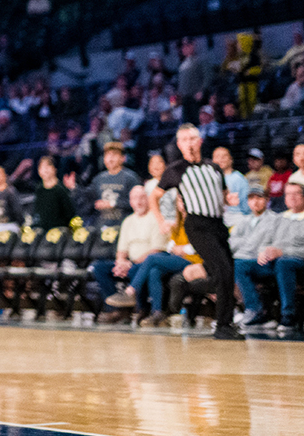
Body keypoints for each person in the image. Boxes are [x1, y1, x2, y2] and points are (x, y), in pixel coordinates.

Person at [154, 124, 240, 339]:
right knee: (222, 271)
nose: (189, 143)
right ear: (179, 145)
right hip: (197, 225)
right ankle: (222, 325)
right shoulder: (175, 170)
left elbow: (224, 194)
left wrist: (230, 199)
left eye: (192, 138)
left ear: (199, 141)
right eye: (184, 140)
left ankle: (221, 318)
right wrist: (161, 220)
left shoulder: (214, 168)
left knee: (226, 272)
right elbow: (154, 197)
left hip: (218, 224)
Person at [233, 181, 304, 333]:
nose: (292, 197)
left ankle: (288, 315)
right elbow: (267, 242)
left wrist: (282, 252)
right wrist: (264, 252)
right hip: (276, 263)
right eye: (288, 194)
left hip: (303, 264)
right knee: (240, 265)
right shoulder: (279, 219)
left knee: (284, 263)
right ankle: (255, 309)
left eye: (296, 194)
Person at [94, 185, 173, 321]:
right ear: (130, 202)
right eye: (135, 198)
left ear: (148, 199)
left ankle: (142, 309)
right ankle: (118, 309)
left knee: (136, 270)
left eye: (142, 197)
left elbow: (156, 251)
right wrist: (120, 263)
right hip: (130, 262)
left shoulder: (156, 218)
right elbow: (121, 250)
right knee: (99, 268)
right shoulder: (128, 221)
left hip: (147, 261)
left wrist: (130, 264)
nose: (139, 201)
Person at [86, 142, 141, 227]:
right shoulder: (98, 178)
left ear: (123, 158)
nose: (110, 158)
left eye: (114, 155)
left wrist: (112, 203)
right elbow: (88, 200)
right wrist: (74, 187)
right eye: (107, 155)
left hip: (123, 226)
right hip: (102, 226)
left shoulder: (131, 178)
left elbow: (138, 203)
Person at [29, 156, 75, 231]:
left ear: (54, 169)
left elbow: (69, 213)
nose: (45, 170)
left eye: (48, 166)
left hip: (60, 229)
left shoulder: (61, 190)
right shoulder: (39, 190)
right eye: (42, 167)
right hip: (42, 230)